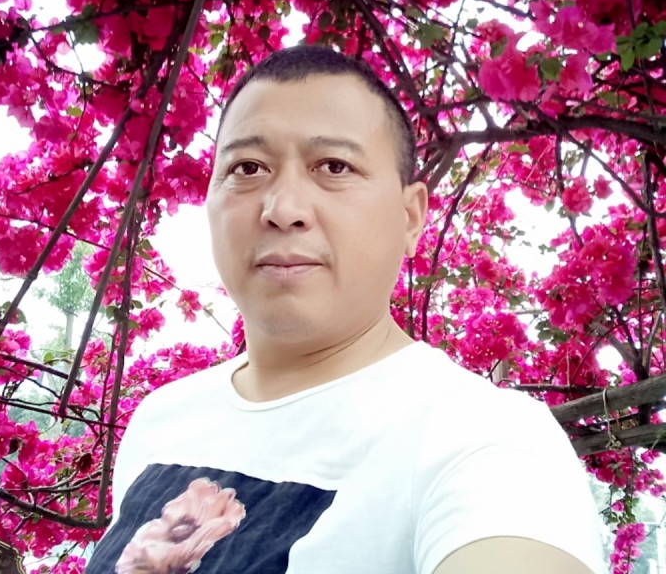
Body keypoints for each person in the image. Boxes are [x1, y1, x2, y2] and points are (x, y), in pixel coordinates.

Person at [85, 46, 606, 574]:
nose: (283, 210)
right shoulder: (162, 421)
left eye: (334, 166)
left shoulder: (483, 439)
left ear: (410, 217)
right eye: (248, 167)